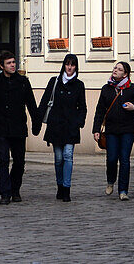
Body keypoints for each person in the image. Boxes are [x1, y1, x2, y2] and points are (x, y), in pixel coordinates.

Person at [0, 51, 40, 205]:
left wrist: (36, 122)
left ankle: (15, 189)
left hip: (18, 127)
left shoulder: (23, 82)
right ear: (2, 66)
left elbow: (31, 104)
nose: (13, 65)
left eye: (14, 62)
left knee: (19, 161)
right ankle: (5, 193)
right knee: (2, 160)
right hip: (1, 127)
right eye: (9, 63)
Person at [34, 53, 87, 201]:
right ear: (64, 65)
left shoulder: (79, 85)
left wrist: (79, 122)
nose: (69, 67)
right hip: (55, 126)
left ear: (76, 67)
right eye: (67, 64)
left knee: (68, 156)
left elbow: (82, 107)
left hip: (70, 127)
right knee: (58, 159)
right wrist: (37, 122)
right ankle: (59, 185)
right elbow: (44, 102)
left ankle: (66, 189)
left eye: (73, 65)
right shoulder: (54, 82)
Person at [92, 61, 134, 200]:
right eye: (115, 68)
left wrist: (133, 107)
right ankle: (111, 181)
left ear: (125, 74)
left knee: (124, 159)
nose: (115, 70)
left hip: (128, 129)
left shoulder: (132, 88)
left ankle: (123, 191)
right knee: (111, 158)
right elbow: (100, 111)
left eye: (119, 69)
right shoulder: (106, 88)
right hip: (111, 129)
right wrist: (96, 129)